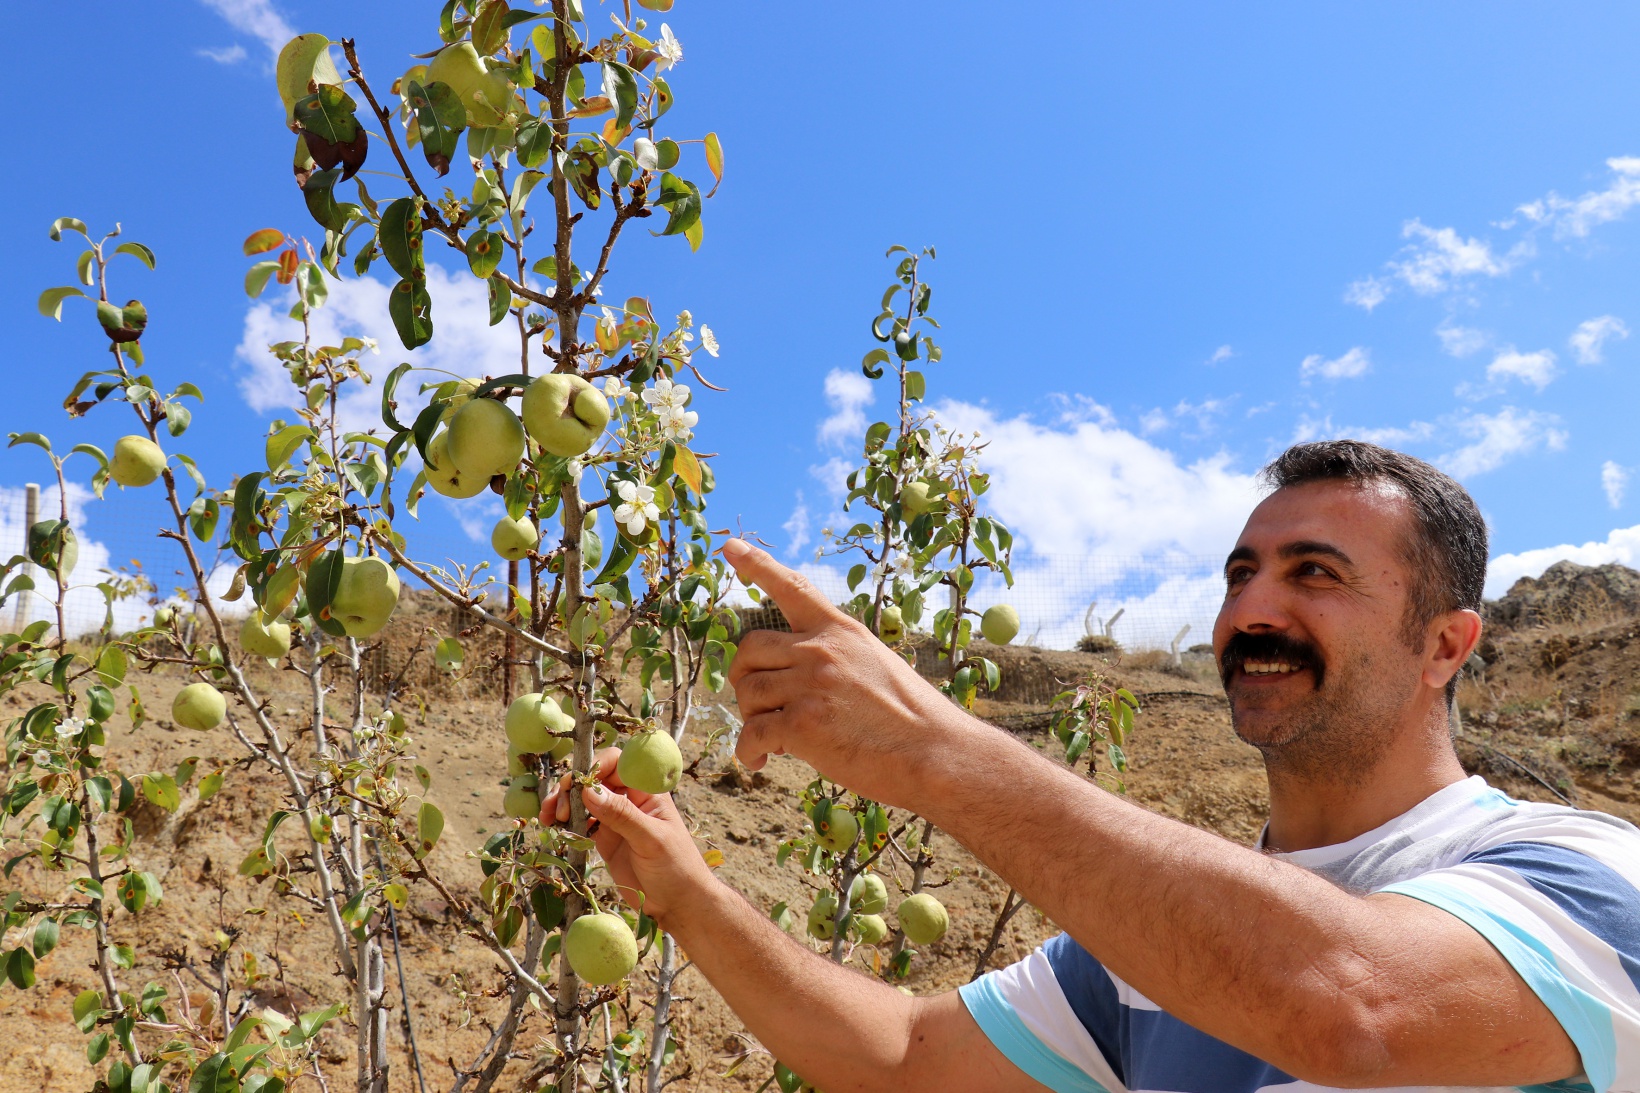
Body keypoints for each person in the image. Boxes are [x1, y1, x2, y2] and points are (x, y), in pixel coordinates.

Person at [541, 440, 1640, 1093]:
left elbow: (1348, 1006)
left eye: (1314, 574)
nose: (1250, 609)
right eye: (1240, 572)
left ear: (1445, 644)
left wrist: (937, 751)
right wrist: (684, 891)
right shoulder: (1153, 947)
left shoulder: (1580, 873)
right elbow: (897, 1056)